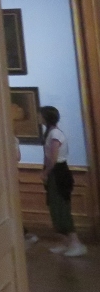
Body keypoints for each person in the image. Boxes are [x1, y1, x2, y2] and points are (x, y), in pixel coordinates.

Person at [41, 106, 86, 257]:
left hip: (59, 173)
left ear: (47, 117)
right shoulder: (49, 133)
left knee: (62, 208)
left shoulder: (55, 134)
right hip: (54, 173)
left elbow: (53, 158)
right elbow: (48, 156)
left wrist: (46, 172)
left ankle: (76, 243)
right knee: (55, 208)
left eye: (41, 115)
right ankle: (65, 242)